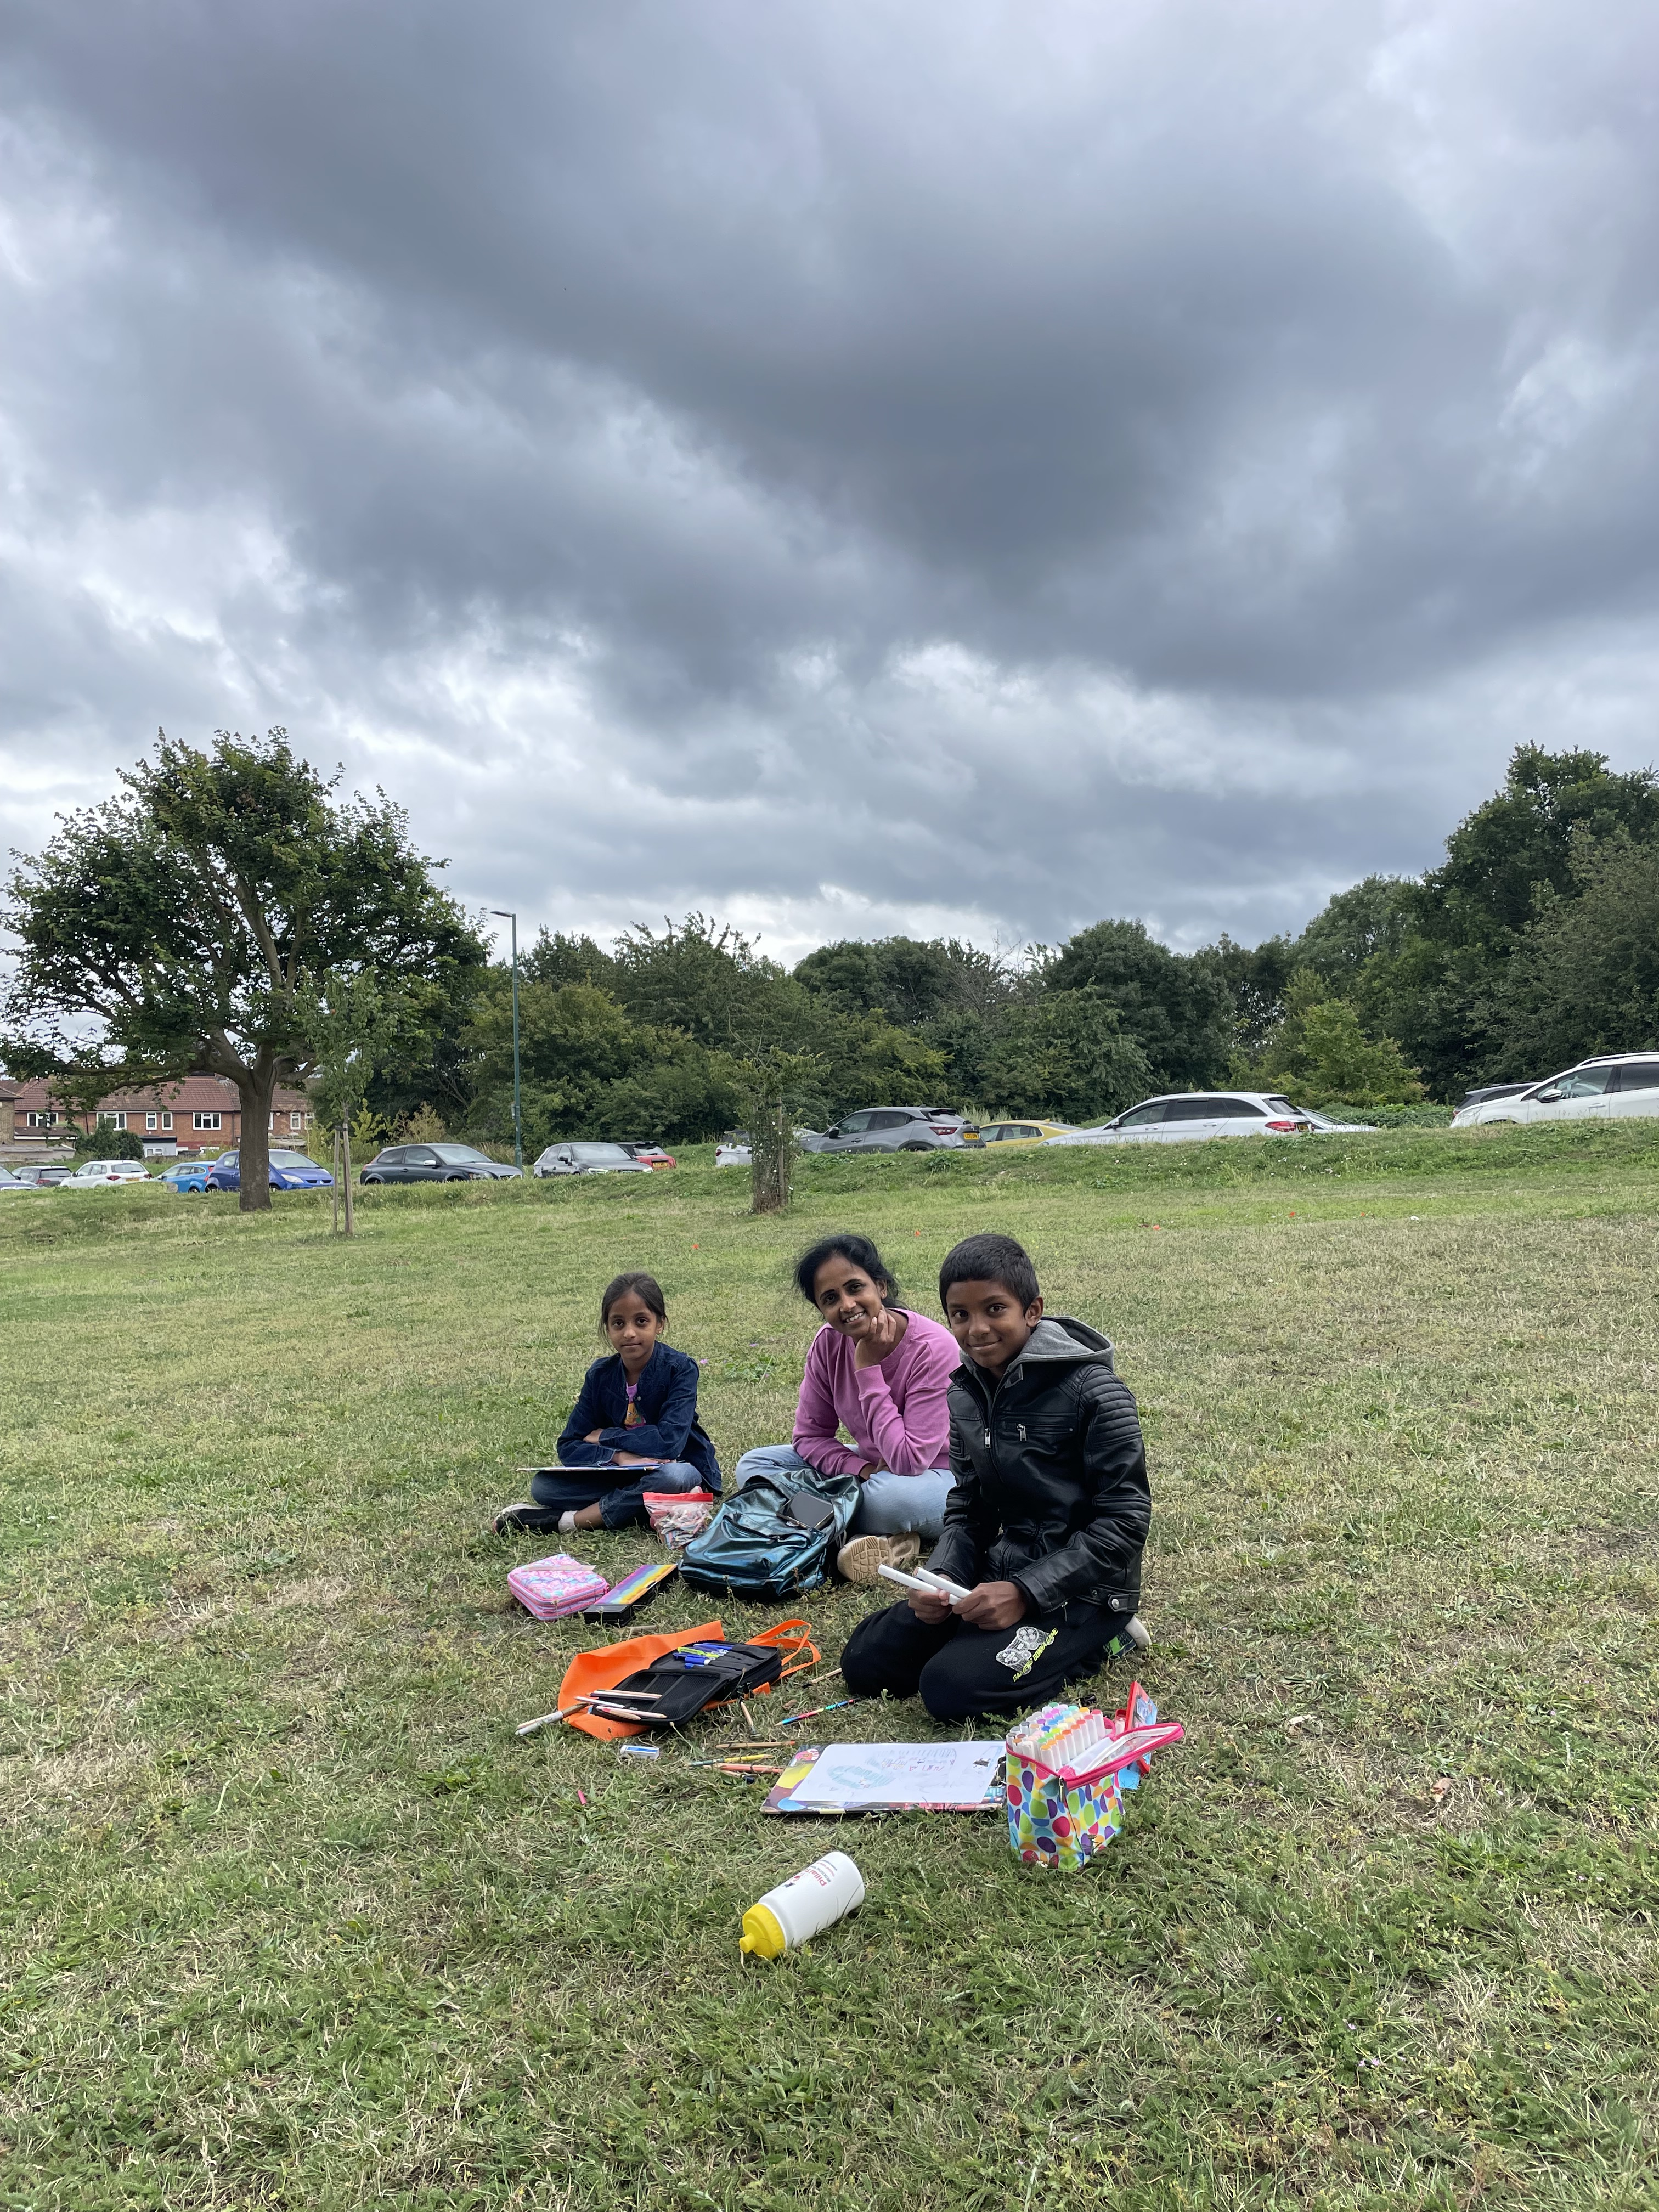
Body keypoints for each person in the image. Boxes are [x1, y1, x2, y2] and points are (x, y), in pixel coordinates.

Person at [839, 1231, 1150, 1721]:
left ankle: (1105, 1640)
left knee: (949, 1691)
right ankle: (982, 1630)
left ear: (1032, 1311)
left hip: (1084, 1592)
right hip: (997, 1573)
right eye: (960, 1315)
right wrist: (944, 1575)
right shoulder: (965, 1392)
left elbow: (1126, 1520)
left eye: (995, 1309)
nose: (977, 1329)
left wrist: (1027, 1592)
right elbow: (968, 1506)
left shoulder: (1096, 1393)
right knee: (866, 1662)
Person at [730, 1233, 960, 1584]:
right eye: (831, 1298)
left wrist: (868, 1370)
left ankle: (813, 1522)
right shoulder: (828, 1344)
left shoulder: (933, 1348)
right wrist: (862, 1469)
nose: (847, 1304)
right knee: (755, 1467)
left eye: (856, 1288)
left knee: (888, 1501)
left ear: (880, 1287)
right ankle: (874, 1538)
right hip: (874, 1469)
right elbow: (809, 1437)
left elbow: (909, 1462)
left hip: (937, 1476)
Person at [492, 1272, 720, 1534]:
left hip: (675, 1467)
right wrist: (620, 1457)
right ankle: (645, 1503)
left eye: (641, 1321)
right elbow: (569, 1445)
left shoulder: (680, 1369)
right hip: (621, 1473)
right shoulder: (600, 1374)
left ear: (660, 1324)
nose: (630, 1333)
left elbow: (669, 1443)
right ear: (608, 1327)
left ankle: (570, 1522)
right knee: (543, 1486)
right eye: (618, 1323)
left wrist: (606, 1437)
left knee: (679, 1477)